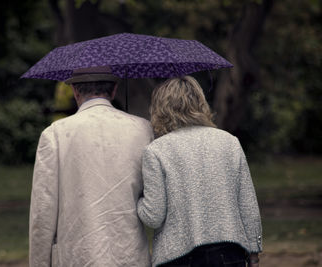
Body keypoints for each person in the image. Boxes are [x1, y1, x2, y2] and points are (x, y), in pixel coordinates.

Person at [29, 66, 153, 267]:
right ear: (113, 90)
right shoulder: (143, 129)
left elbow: (42, 212)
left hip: (77, 257)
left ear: (75, 91)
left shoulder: (55, 134)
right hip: (129, 256)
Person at [137, 76, 262, 267]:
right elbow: (248, 204)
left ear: (160, 108)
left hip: (178, 257)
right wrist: (253, 253)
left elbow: (153, 217)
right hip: (230, 254)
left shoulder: (156, 150)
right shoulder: (229, 142)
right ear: (200, 102)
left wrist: (138, 200)